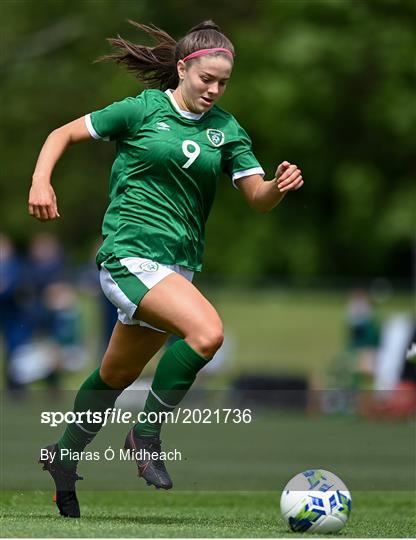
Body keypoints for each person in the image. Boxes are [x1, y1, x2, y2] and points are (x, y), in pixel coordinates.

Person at [28, 20, 304, 518]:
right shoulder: (142, 110)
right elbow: (61, 133)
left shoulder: (227, 130)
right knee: (207, 334)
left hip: (178, 268)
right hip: (129, 256)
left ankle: (63, 456)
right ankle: (146, 434)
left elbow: (257, 200)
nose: (215, 90)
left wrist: (278, 187)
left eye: (224, 82)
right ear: (183, 68)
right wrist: (42, 182)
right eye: (207, 80)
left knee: (116, 373)